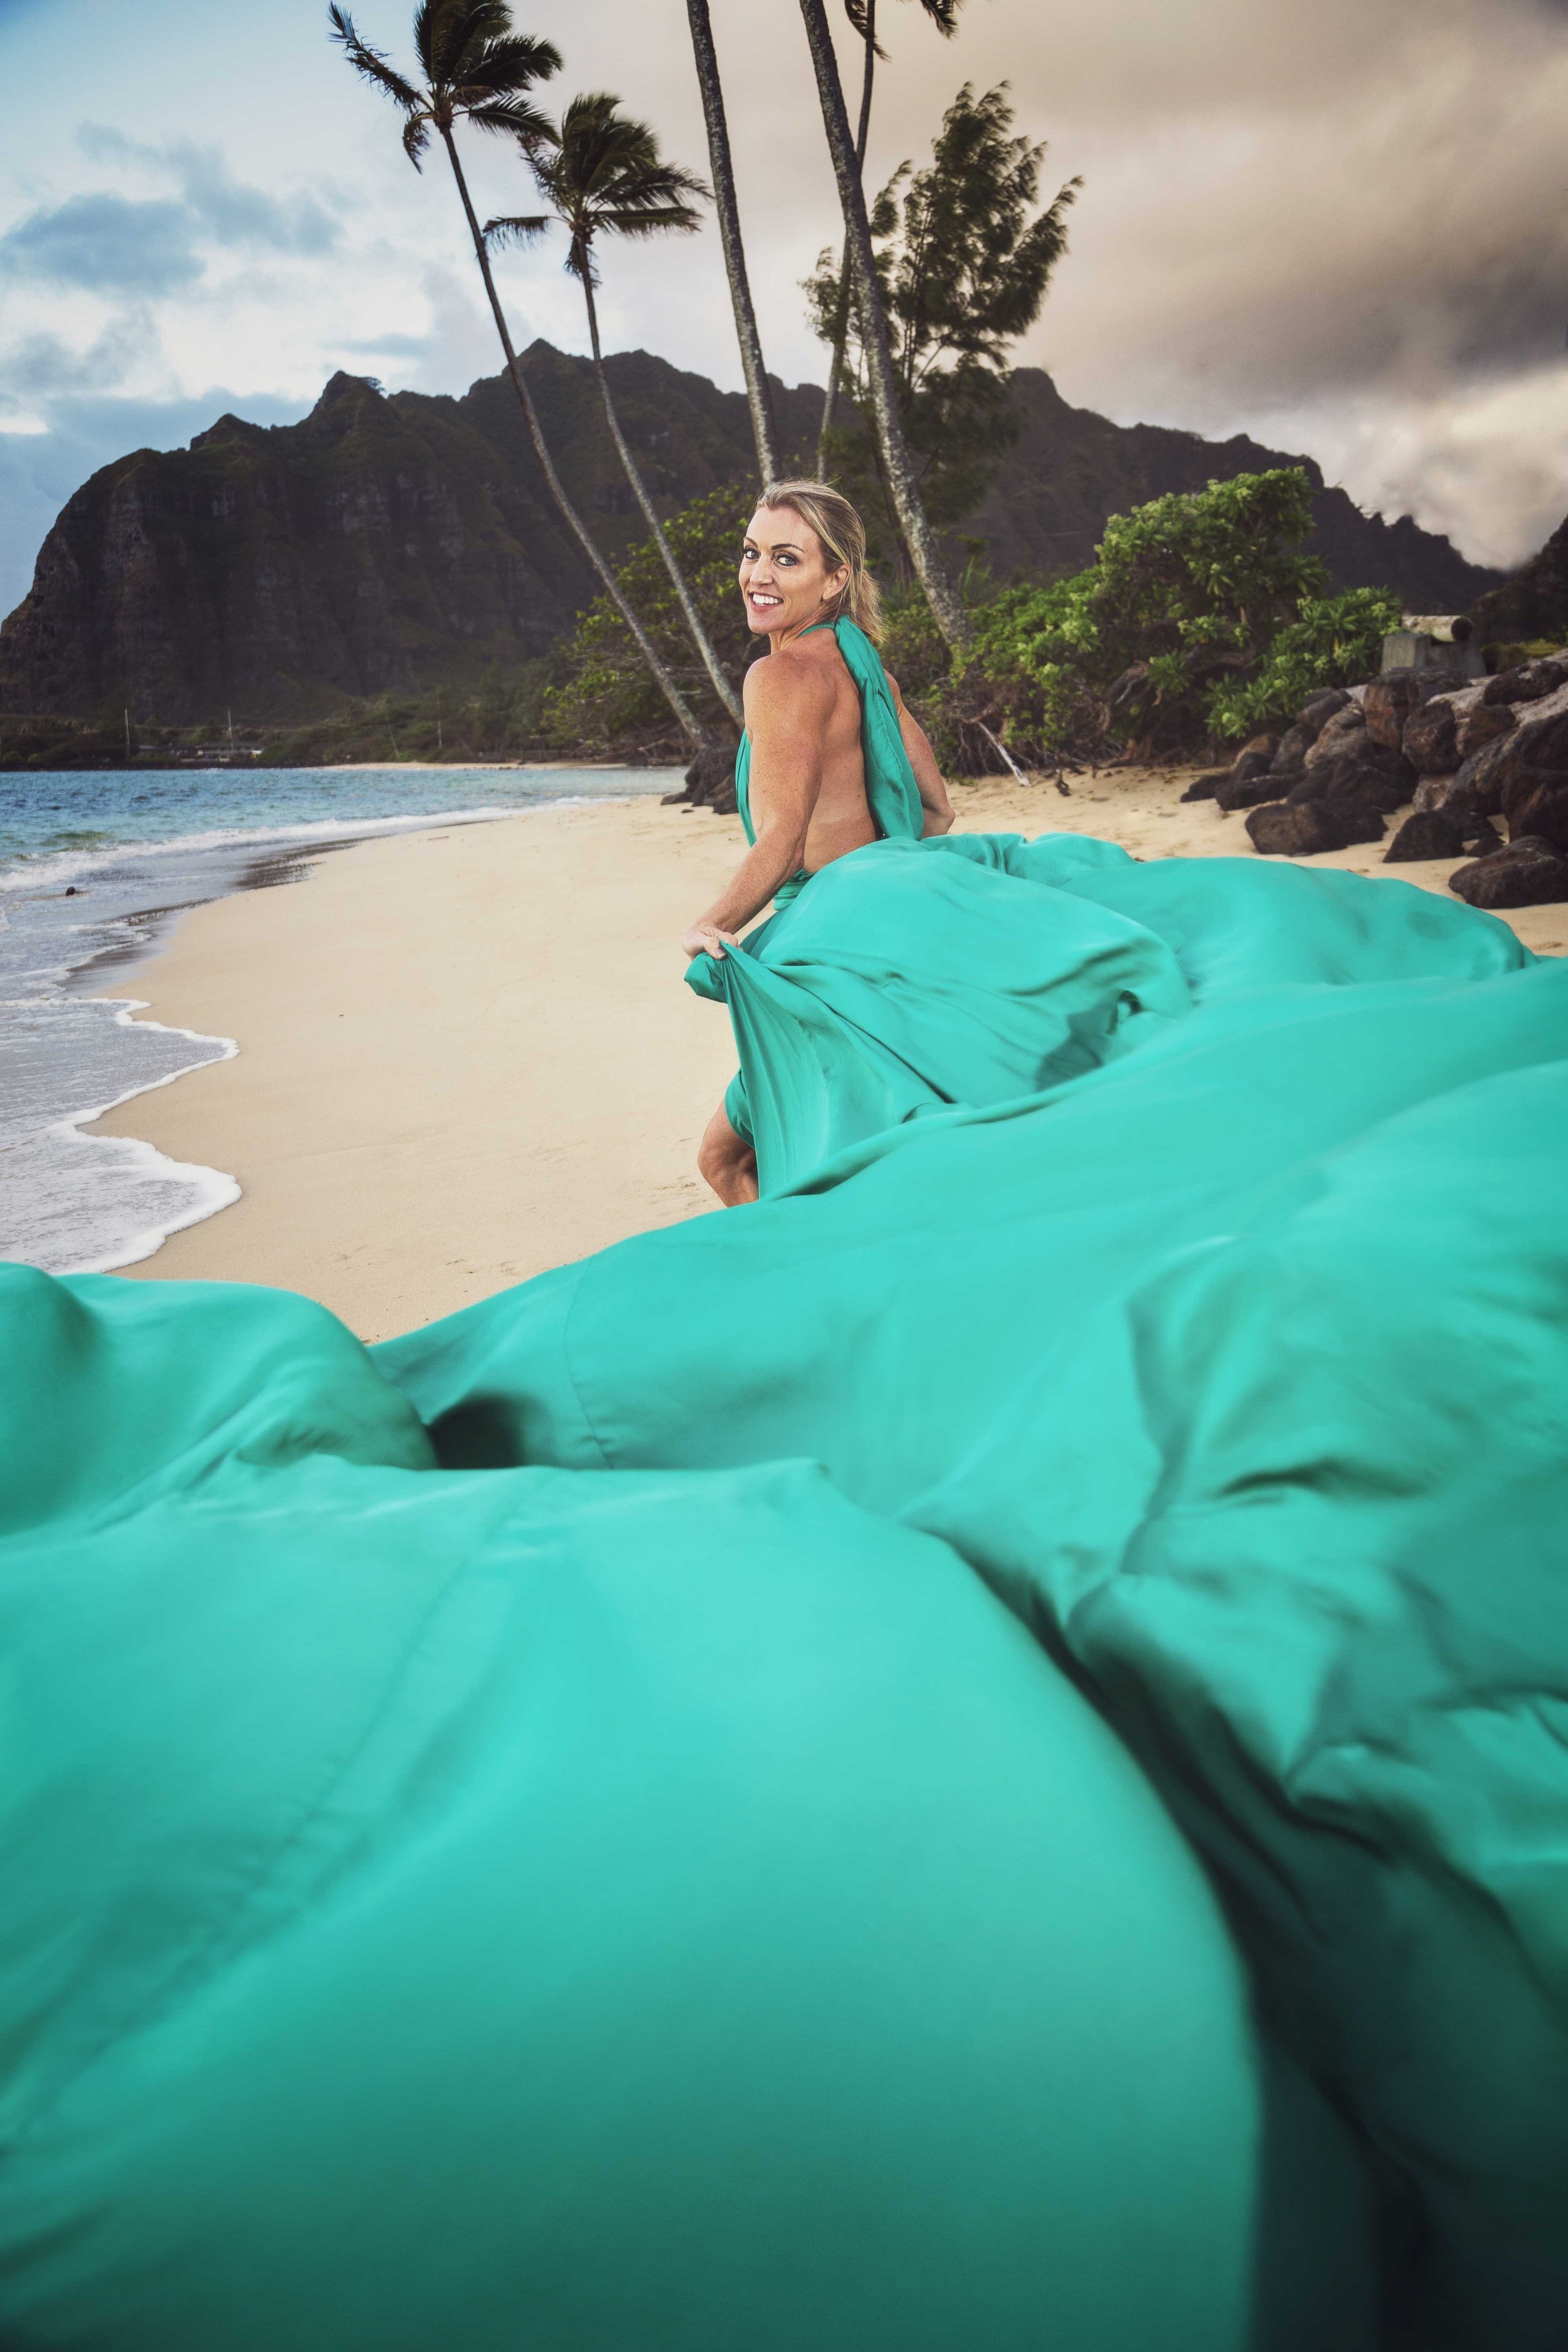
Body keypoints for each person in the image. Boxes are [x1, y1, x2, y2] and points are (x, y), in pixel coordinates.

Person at [681, 480, 953, 1205]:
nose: (758, 575)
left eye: (786, 559)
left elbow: (784, 833)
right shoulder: (864, 668)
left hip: (830, 948)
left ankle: (809, 1295)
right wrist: (880, 879)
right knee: (863, 1154)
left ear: (836, 578)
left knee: (727, 1161)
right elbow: (935, 808)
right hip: (893, 930)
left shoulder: (779, 675)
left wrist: (715, 923)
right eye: (751, 553)